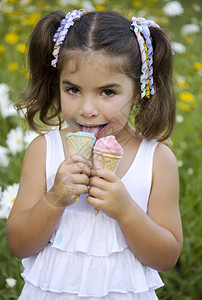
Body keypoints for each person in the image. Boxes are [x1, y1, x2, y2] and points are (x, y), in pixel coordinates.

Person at [6, 9, 183, 299]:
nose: (87, 109)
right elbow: (18, 245)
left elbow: (165, 258)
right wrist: (54, 199)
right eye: (73, 89)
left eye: (108, 92)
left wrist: (126, 211)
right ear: (58, 84)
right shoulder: (44, 150)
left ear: (138, 91)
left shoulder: (156, 160)